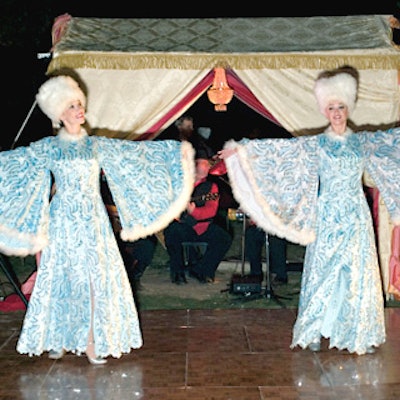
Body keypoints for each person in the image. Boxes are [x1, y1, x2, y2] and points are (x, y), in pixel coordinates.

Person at [0, 74, 195, 364]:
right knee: (62, 278)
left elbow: (137, 156)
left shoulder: (97, 145)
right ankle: (60, 337)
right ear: (59, 114)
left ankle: (91, 340)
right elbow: (15, 164)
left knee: (93, 279)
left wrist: (178, 152)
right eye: (72, 106)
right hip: (62, 219)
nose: (79, 110)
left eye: (80, 104)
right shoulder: (49, 147)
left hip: (92, 219)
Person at [219, 65, 400, 355]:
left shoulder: (362, 141)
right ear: (325, 111)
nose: (337, 112)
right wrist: (241, 150)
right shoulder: (316, 144)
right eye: (331, 107)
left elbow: (394, 143)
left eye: (341, 106)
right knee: (323, 271)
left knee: (355, 272)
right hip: (327, 212)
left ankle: (356, 332)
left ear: (348, 107)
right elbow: (279, 152)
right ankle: (315, 329)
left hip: (355, 213)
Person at [164, 150, 232, 284]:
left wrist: (193, 211)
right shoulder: (179, 184)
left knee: (223, 238)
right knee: (172, 232)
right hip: (182, 226)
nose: (208, 167)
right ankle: (177, 273)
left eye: (208, 164)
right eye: (204, 164)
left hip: (202, 226)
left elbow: (210, 211)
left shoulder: (211, 187)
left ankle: (203, 271)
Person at [245, 220, 288, 285]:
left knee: (277, 241)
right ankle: (255, 273)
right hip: (258, 225)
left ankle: (278, 274)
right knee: (251, 235)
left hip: (276, 227)